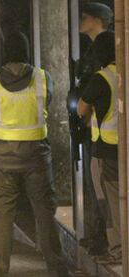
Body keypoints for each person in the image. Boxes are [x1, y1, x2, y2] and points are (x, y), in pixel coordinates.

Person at [0, 32, 69, 276]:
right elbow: (48, 102)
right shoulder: (42, 78)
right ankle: (57, 269)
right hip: (36, 156)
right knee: (44, 212)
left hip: (1, 157)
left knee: (3, 215)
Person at [78, 31, 121, 264]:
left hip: (106, 150)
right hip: (122, 148)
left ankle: (118, 250)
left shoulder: (102, 78)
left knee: (110, 201)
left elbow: (81, 108)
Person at [74, 2, 113, 255]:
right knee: (97, 186)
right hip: (95, 129)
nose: (80, 19)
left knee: (104, 189)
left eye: (84, 16)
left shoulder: (105, 50)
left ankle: (106, 240)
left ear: (98, 19)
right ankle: (99, 236)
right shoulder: (91, 50)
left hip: (103, 130)